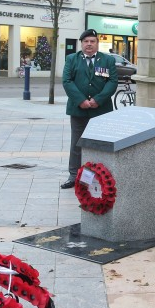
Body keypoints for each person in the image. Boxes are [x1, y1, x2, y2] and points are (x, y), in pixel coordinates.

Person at [61, 29, 118, 189]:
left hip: (101, 110)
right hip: (78, 110)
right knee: (77, 144)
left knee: (100, 144)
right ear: (81, 44)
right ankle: (74, 176)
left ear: (97, 43)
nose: (89, 44)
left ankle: (99, 175)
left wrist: (97, 100)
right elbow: (67, 81)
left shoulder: (107, 60)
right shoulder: (72, 59)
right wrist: (81, 100)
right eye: (86, 41)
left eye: (92, 41)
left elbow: (112, 82)